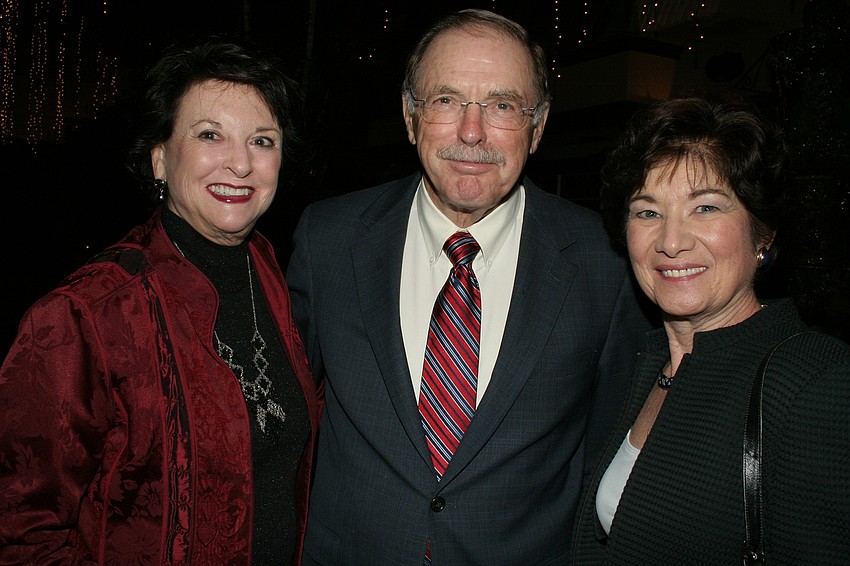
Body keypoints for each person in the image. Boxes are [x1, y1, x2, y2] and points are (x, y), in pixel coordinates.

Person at [286, 9, 651, 564]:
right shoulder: (328, 240)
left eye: (503, 105)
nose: (472, 131)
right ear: (410, 116)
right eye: (446, 100)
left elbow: (606, 449)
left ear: (540, 123)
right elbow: (286, 423)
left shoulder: (607, 261)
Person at [0, 40, 321, 564]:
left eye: (262, 140)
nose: (240, 163)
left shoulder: (276, 278)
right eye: (210, 135)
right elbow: (21, 531)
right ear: (159, 160)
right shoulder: (83, 315)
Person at [571, 95, 850, 564]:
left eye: (705, 208)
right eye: (647, 212)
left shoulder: (818, 382)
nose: (671, 241)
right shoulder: (645, 366)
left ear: (761, 233)